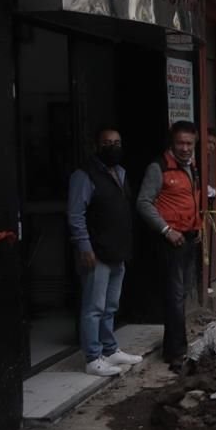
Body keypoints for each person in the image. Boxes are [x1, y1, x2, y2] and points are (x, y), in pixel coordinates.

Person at [67, 128, 143, 377]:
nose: (113, 147)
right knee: (93, 307)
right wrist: (84, 247)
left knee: (111, 305)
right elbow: (76, 215)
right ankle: (92, 357)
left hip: (117, 250)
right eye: (107, 143)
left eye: (117, 143)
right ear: (97, 146)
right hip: (96, 253)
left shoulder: (120, 173)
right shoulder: (84, 176)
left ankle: (109, 349)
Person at [137, 121, 203, 370]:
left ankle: (171, 348)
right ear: (172, 143)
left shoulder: (190, 167)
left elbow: (190, 201)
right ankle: (178, 354)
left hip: (187, 237)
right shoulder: (159, 168)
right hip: (169, 240)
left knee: (182, 294)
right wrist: (166, 230)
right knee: (175, 297)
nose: (185, 148)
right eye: (180, 143)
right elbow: (143, 203)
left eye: (189, 143)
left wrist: (196, 228)